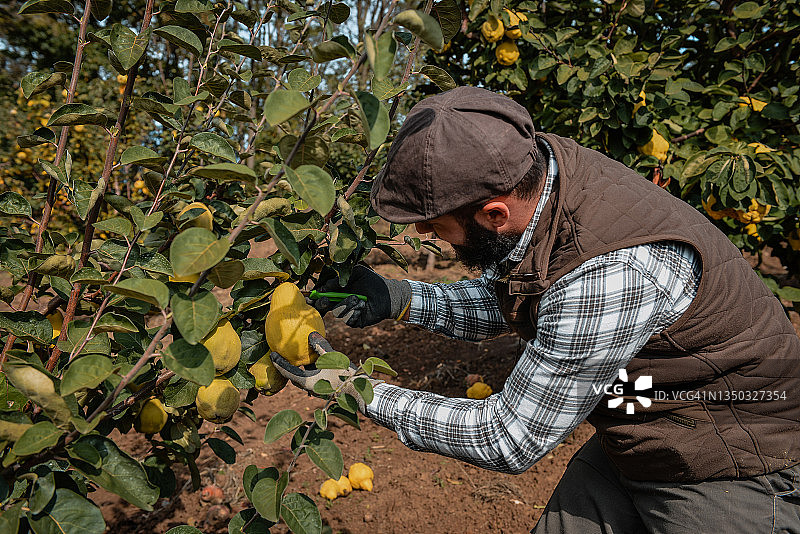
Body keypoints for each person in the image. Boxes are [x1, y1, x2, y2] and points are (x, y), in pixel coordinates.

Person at [270, 86, 800, 533]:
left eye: (434, 225)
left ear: (494, 212)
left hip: (733, 461)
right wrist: (401, 298)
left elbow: (507, 437)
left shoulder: (611, 275)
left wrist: (352, 387)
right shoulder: (540, 172)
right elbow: (525, 302)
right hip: (644, 429)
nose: (423, 235)